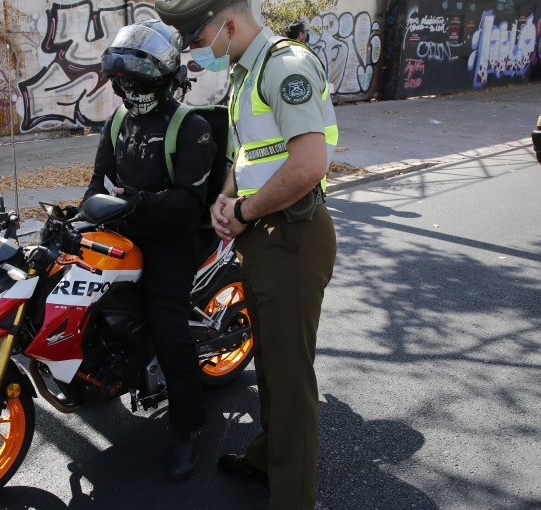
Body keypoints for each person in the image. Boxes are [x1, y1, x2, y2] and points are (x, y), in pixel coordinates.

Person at [155, 0, 338, 507]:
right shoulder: (247, 70)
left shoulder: (285, 66)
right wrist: (226, 197)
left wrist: (243, 211)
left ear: (228, 25)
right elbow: (250, 150)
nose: (197, 53)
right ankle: (267, 459)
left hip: (293, 237)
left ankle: (291, 497)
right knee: (272, 368)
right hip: (266, 233)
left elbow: (308, 163)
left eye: (198, 41)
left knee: (289, 376)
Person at [83, 19, 216, 481]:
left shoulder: (191, 127)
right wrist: (76, 220)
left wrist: (137, 202)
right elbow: (96, 184)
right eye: (122, 81)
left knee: (168, 332)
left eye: (138, 81)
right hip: (122, 235)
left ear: (163, 80)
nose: (128, 89)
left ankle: (188, 430)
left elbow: (187, 204)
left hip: (170, 243)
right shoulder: (117, 121)